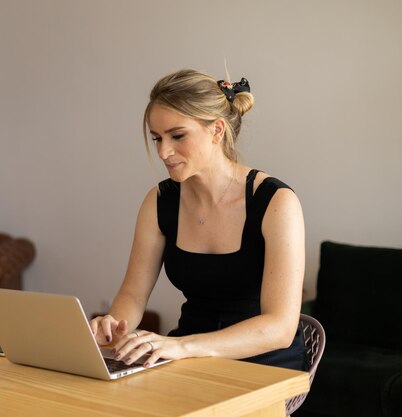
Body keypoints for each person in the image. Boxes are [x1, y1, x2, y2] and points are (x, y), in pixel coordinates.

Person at [89, 69, 307, 371]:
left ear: (217, 130)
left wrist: (181, 346)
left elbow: (280, 328)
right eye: (157, 138)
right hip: (186, 356)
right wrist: (113, 325)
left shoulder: (276, 202)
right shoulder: (160, 201)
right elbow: (132, 294)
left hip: (263, 364)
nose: (164, 152)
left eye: (177, 136)